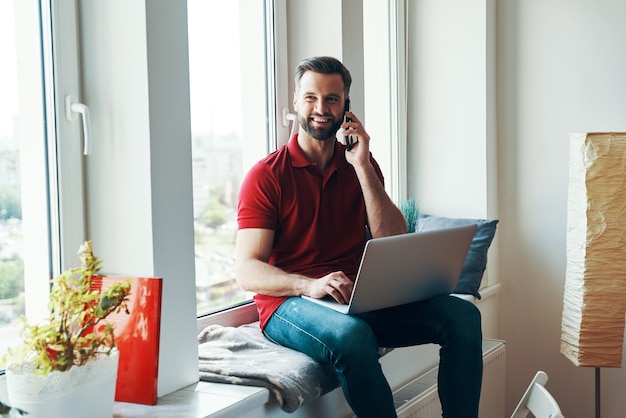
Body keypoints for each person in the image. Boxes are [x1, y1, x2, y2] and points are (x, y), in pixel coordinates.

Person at [235, 56, 483, 418]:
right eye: (311, 98)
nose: (321, 108)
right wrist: (310, 285)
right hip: (289, 304)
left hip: (355, 297)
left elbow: (393, 237)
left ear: (346, 106)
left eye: (332, 98)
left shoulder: (360, 164)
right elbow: (247, 270)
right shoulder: (266, 175)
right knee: (353, 337)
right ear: (295, 102)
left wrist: (363, 165)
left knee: (462, 316)